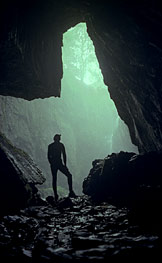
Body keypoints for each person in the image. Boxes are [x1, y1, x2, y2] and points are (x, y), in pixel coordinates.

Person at [48, 134, 77, 201]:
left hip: (55, 164)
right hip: (59, 163)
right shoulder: (60, 145)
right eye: (59, 137)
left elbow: (49, 156)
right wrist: (65, 165)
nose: (60, 139)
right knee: (69, 175)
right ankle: (70, 191)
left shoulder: (51, 146)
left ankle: (56, 195)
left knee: (54, 179)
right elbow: (64, 155)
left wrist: (51, 163)